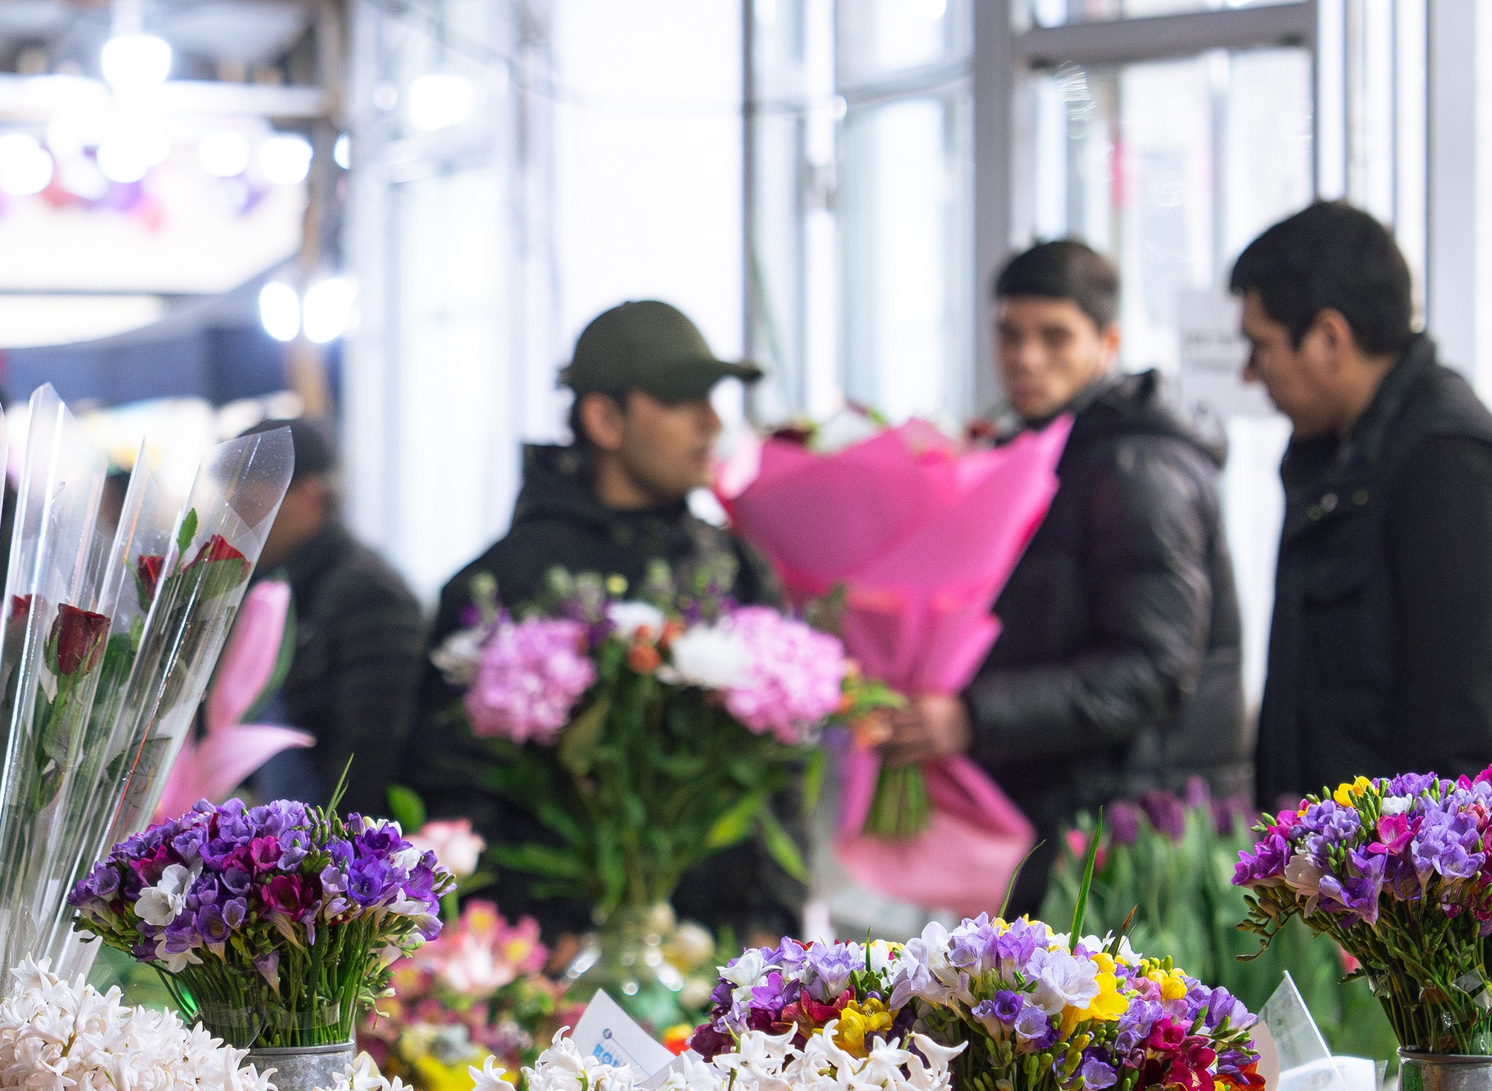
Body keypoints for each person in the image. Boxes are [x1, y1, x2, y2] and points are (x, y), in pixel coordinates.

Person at [401, 299, 800, 941]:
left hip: (722, 961)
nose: (712, 421)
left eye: (714, 398)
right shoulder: (507, 581)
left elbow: (780, 778)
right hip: (560, 971)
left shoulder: (735, 567)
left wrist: (774, 925)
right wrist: (522, 941)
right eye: (681, 399)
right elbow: (454, 791)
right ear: (605, 419)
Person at [879, 239, 1247, 915]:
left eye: (1055, 337)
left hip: (1127, 836)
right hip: (1057, 811)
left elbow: (1154, 671)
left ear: (1108, 342)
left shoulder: (1137, 470)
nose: (1026, 357)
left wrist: (975, 716)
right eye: (1010, 335)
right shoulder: (1039, 452)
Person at [1231, 201, 1492, 804]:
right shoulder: (1337, 454)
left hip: (1440, 875)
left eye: (1262, 348)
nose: (1251, 375)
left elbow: (1453, 727)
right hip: (1360, 865)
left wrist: (1415, 890)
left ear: (1329, 337)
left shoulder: (1446, 462)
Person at [237, 419, 426, 814]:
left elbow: (368, 762)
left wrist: (325, 866)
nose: (241, 520)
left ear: (310, 494)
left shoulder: (370, 594)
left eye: (253, 500)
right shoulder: (272, 587)